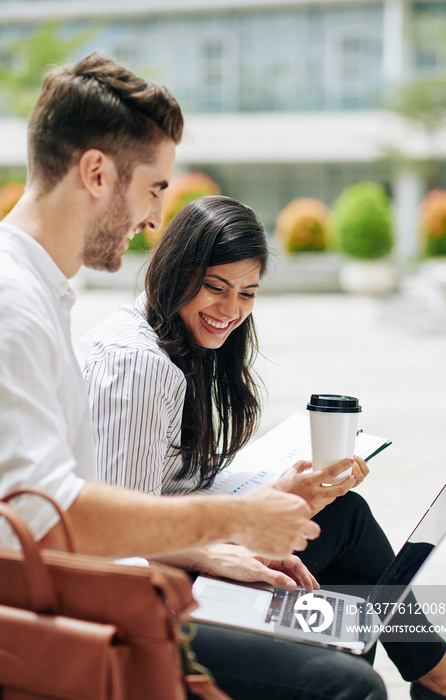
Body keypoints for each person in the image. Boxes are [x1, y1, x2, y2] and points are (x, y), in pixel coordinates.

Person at [0, 53, 387, 700]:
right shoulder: (17, 307)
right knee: (349, 683)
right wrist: (233, 521)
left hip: (100, 586)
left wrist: (222, 533)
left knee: (344, 614)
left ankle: (433, 662)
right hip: (74, 618)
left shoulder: (41, 295)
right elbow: (51, 513)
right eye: (154, 188)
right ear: (96, 172)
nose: (156, 219)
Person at [77, 194, 446, 700]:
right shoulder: (139, 364)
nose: (231, 310)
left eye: (247, 293)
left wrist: (277, 494)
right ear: (175, 271)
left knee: (343, 515)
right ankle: (436, 672)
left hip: (176, 556)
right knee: (345, 564)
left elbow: (162, 489)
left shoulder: (176, 343)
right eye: (215, 287)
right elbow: (112, 533)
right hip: (148, 587)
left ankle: (428, 667)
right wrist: (217, 551)